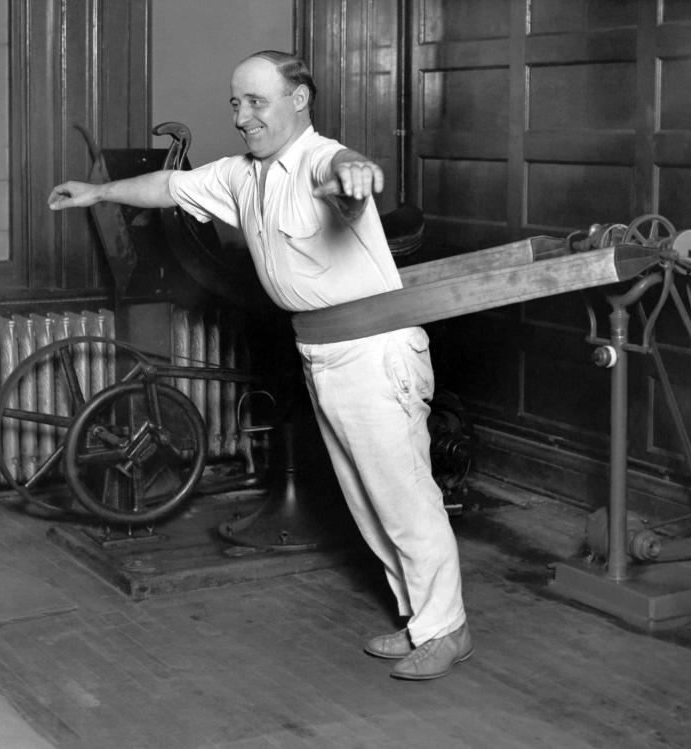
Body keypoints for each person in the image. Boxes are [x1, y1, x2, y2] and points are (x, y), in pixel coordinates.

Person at [47, 50, 471, 681]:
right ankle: (422, 622)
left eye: (257, 101)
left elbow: (342, 169)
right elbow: (169, 186)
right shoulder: (244, 175)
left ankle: (447, 629)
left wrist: (354, 173)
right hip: (322, 350)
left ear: (299, 100)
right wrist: (99, 191)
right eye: (236, 103)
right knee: (366, 500)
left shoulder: (319, 161)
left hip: (373, 350)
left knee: (404, 497)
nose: (243, 116)